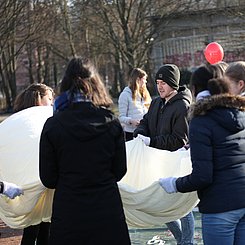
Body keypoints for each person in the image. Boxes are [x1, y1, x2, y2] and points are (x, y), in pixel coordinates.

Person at [39, 57, 131, 245]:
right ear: (96, 83)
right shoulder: (111, 122)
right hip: (107, 211)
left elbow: (48, 178)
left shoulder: (53, 125)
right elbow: (119, 171)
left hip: (69, 213)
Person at [159, 78, 245, 245]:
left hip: (220, 207)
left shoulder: (201, 122)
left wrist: (175, 184)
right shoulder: (241, 115)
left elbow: (203, 176)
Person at [133, 64, 194, 245]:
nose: (160, 86)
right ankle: (182, 240)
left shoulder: (182, 106)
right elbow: (145, 121)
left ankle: (187, 242)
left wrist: (152, 142)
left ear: (173, 84)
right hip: (156, 162)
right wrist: (140, 133)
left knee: (181, 207)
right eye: (158, 82)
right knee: (162, 206)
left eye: (164, 83)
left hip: (175, 162)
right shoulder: (156, 102)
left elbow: (179, 139)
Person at [13, 83, 54, 245]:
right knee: (33, 228)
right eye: (49, 98)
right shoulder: (25, 123)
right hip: (33, 180)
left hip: (44, 179)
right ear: (39, 99)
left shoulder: (45, 119)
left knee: (45, 227)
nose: (52, 102)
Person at [118, 68, 151, 141]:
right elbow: (121, 117)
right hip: (130, 134)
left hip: (145, 131)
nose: (145, 81)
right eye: (144, 79)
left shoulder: (145, 94)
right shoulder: (125, 95)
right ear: (138, 80)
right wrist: (131, 121)